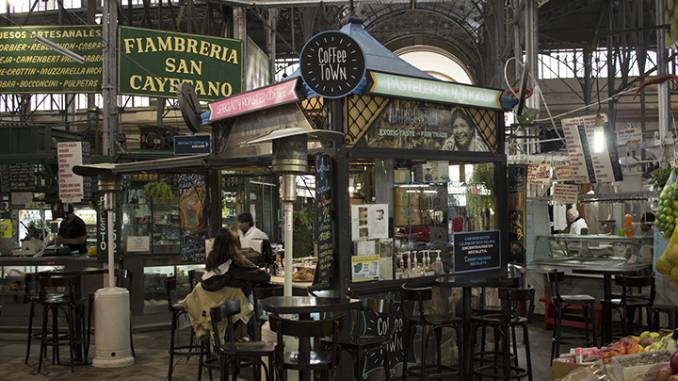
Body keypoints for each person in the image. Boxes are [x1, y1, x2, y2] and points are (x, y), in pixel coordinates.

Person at [202, 227, 270, 295]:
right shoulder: (235, 263)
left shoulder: (211, 259)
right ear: (234, 245)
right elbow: (265, 276)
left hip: (210, 302)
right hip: (234, 303)